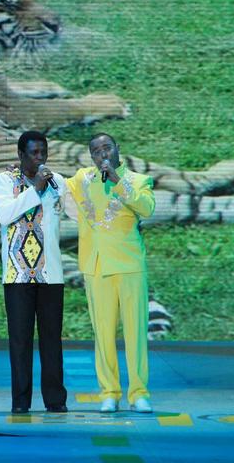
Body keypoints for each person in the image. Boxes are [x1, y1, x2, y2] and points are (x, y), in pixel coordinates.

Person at [64, 133, 155, 413]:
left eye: (107, 147)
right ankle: (110, 392)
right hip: (96, 266)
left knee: (135, 333)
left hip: (129, 265)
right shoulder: (83, 179)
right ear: (91, 156)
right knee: (102, 334)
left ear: (118, 150)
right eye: (96, 151)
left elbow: (147, 209)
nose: (102, 154)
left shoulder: (139, 181)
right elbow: (60, 189)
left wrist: (117, 181)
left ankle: (139, 392)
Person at [0, 131, 67, 414]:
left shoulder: (57, 181)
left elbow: (72, 211)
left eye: (43, 152)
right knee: (20, 341)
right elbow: (4, 215)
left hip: (51, 274)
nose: (40, 158)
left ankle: (55, 401)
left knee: (51, 339)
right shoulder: (4, 180)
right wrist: (35, 188)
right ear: (21, 155)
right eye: (34, 153)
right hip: (17, 275)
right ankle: (21, 403)